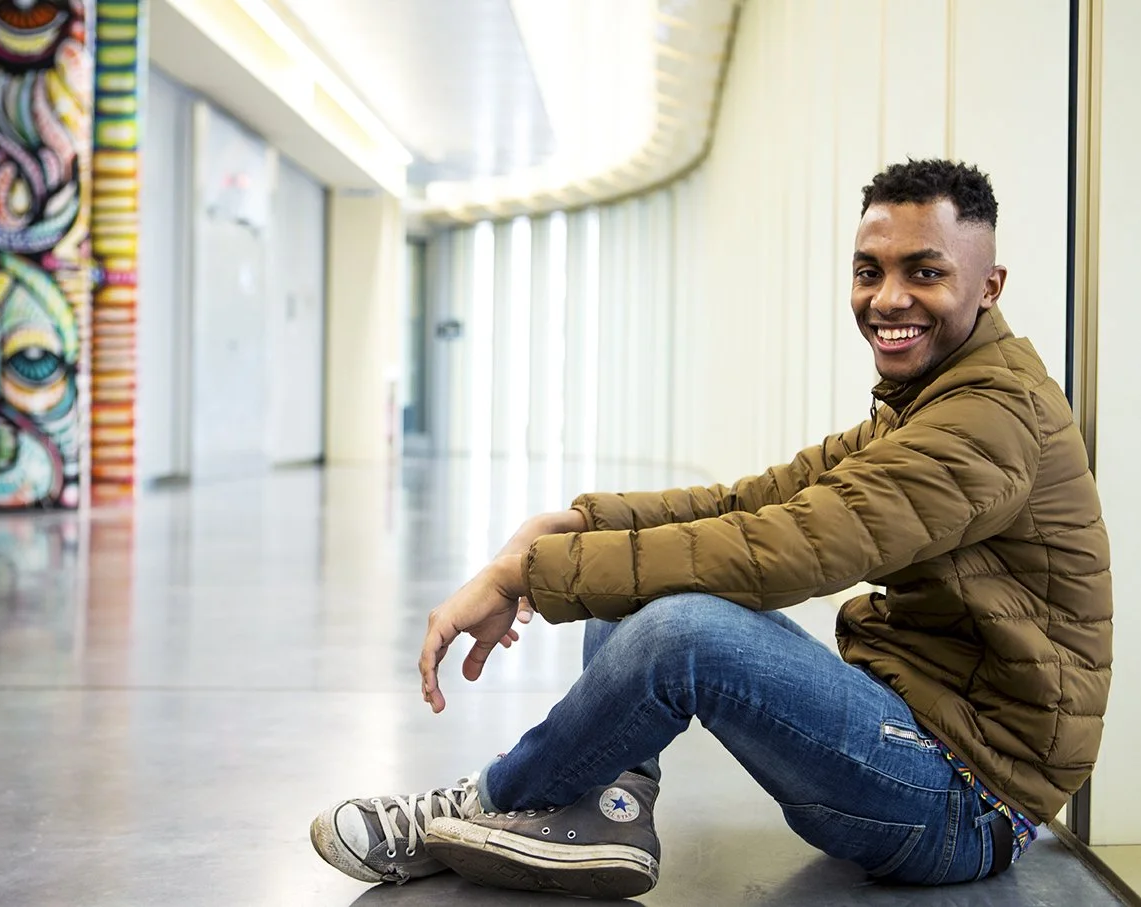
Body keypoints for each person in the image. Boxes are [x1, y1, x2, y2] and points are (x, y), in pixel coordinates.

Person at [309, 159, 1112, 899]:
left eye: (924, 272)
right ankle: (610, 811)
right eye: (869, 271)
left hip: (964, 803)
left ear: (989, 285)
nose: (887, 298)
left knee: (681, 628)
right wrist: (581, 523)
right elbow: (756, 500)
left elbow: (790, 546)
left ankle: (481, 801)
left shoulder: (988, 421)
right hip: (913, 735)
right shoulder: (932, 399)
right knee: (635, 588)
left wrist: (527, 575)